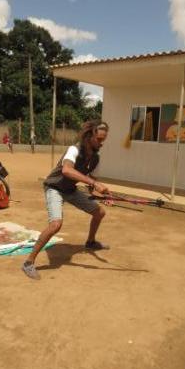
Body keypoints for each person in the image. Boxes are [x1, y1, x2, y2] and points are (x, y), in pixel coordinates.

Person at [22, 120, 110, 280]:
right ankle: (28, 262)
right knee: (56, 224)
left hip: (70, 190)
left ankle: (90, 242)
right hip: (54, 188)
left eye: (103, 140)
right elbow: (67, 170)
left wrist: (102, 195)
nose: (101, 143)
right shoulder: (74, 149)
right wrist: (94, 183)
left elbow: (91, 184)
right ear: (90, 136)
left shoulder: (95, 159)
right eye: (99, 139)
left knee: (100, 212)